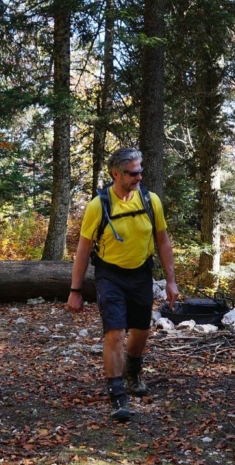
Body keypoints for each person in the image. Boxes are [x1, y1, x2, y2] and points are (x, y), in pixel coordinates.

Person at [66, 147, 180, 422]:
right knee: (115, 332)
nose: (139, 176)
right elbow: (83, 249)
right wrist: (75, 290)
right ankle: (117, 394)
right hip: (110, 275)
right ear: (116, 174)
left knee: (140, 332)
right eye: (132, 173)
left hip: (141, 273)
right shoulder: (99, 205)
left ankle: (133, 369)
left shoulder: (150, 201)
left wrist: (171, 281)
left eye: (140, 171)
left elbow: (163, 241)